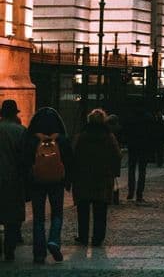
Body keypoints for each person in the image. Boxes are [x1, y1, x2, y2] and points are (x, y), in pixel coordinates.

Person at [24, 106, 73, 264]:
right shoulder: (62, 139)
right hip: (57, 181)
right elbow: (70, 161)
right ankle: (53, 240)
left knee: (38, 217)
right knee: (57, 213)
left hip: (37, 182)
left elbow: (24, 161)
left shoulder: (31, 139)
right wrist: (68, 181)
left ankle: (39, 253)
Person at [71, 108, 121, 247]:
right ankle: (98, 238)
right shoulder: (109, 137)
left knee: (83, 210)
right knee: (100, 211)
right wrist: (113, 172)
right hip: (103, 179)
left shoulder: (81, 136)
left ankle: (83, 236)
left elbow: (73, 156)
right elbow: (117, 155)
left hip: (83, 178)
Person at [0, 99, 26, 261]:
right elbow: (25, 159)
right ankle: (9, 249)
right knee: (12, 218)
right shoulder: (21, 131)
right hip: (13, 180)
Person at [122, 104, 154, 201]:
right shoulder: (148, 118)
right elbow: (151, 132)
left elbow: (126, 131)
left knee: (131, 169)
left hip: (133, 146)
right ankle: (139, 194)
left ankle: (131, 192)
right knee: (142, 170)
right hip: (144, 146)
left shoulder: (131, 117)